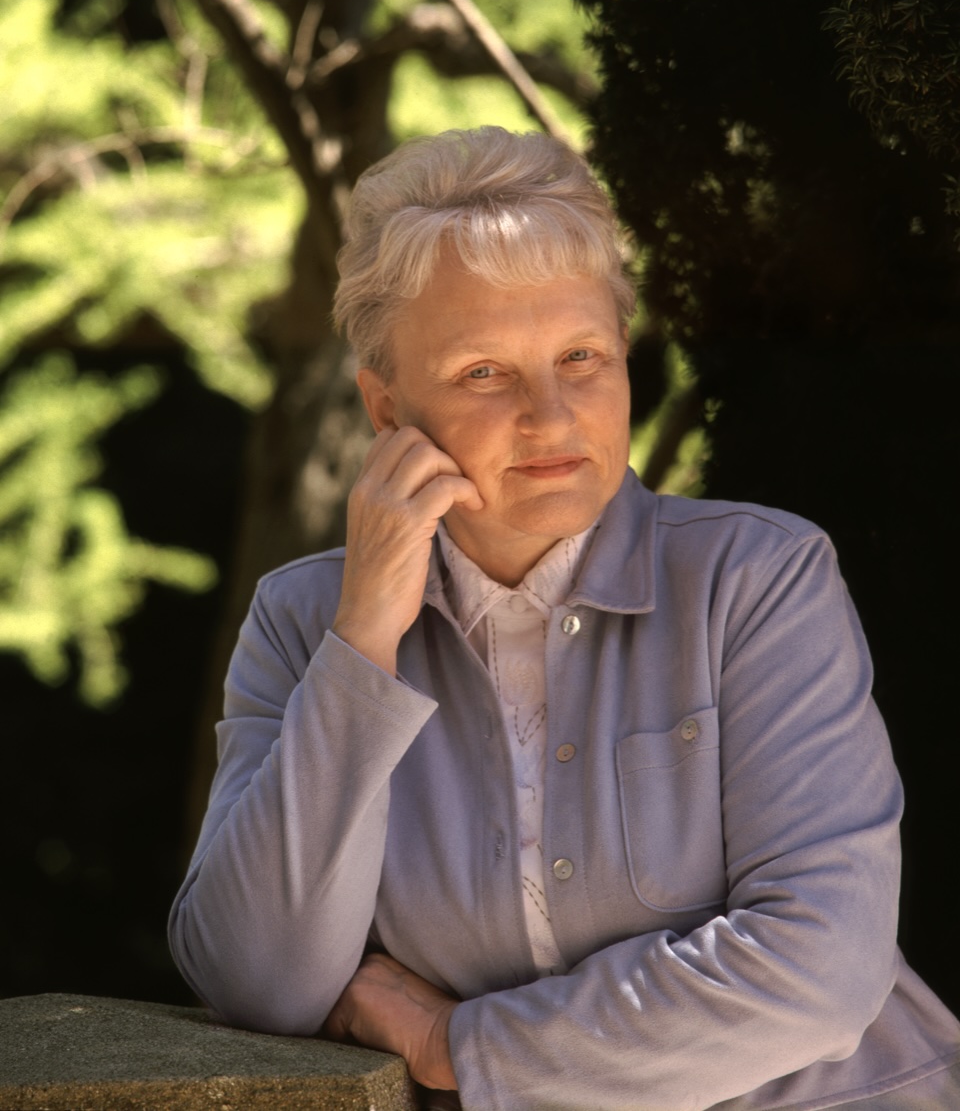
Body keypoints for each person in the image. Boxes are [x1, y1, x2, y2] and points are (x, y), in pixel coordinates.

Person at [169, 126, 960, 1109]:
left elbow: (821, 971)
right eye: (483, 373)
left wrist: (456, 1043)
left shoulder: (757, 578)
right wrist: (363, 639)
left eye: (580, 356)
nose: (550, 415)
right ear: (385, 408)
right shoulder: (303, 622)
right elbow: (259, 977)